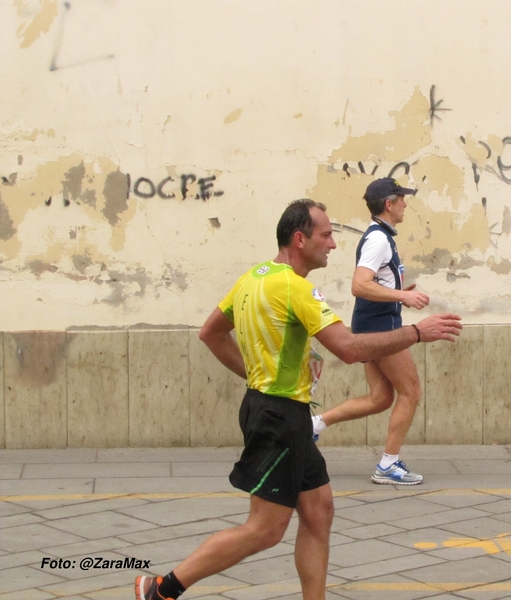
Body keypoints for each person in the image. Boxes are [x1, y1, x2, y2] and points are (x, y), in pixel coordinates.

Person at [133, 199, 462, 600]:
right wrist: (416, 333)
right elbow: (349, 348)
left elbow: (211, 334)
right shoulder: (296, 287)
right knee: (265, 530)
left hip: (278, 411)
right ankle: (161, 589)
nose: (333, 245)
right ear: (300, 238)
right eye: (326, 235)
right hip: (279, 419)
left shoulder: (253, 278)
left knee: (319, 511)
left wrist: (257, 375)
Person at [311, 178, 430, 485]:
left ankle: (316, 424)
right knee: (411, 391)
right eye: (402, 199)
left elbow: (374, 282)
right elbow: (360, 284)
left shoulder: (381, 236)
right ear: (388, 204)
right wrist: (402, 296)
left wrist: (399, 289)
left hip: (371, 322)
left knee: (380, 397)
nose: (406, 204)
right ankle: (388, 465)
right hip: (380, 326)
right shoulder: (378, 239)